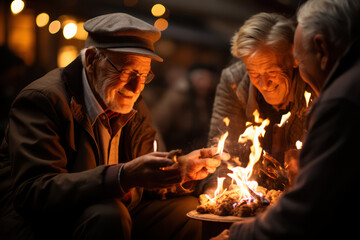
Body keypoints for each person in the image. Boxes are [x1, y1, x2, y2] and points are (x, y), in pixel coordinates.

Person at [0, 13, 222, 240]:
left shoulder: (132, 102)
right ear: (91, 61)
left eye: (144, 75)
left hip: (117, 212)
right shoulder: (43, 100)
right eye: (127, 72)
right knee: (109, 215)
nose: (136, 87)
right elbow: (34, 193)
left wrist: (179, 173)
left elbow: (144, 179)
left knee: (187, 212)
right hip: (45, 223)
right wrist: (122, 176)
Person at [213, 0, 360, 239]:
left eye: (299, 62)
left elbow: (308, 210)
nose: (264, 83)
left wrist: (236, 236)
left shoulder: (340, 100)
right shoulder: (345, 87)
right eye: (254, 74)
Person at [200, 12, 314, 194]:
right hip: (256, 192)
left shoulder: (313, 82)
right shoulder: (234, 81)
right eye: (254, 73)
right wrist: (217, 192)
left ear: (293, 58)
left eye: (272, 71)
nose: (264, 83)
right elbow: (222, 152)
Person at [151, 64, 218, 153]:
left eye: (209, 80)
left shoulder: (210, 100)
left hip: (194, 151)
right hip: (172, 150)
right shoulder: (177, 96)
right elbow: (157, 125)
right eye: (201, 78)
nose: (206, 83)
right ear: (191, 79)